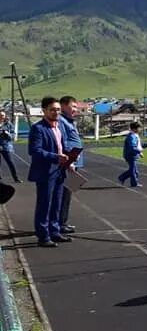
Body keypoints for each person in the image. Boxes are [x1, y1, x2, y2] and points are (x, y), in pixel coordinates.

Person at [28, 97, 70, 247]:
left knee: (57, 203)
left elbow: (62, 146)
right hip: (45, 172)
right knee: (45, 204)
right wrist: (55, 157)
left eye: (58, 109)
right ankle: (43, 236)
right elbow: (34, 151)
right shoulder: (38, 128)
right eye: (52, 110)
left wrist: (68, 160)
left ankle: (55, 231)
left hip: (59, 171)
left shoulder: (59, 127)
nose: (56, 112)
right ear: (44, 111)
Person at [57, 96, 83, 234]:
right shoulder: (61, 121)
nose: (75, 109)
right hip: (69, 162)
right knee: (63, 194)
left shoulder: (70, 122)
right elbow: (63, 142)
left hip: (74, 161)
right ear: (63, 106)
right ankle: (59, 223)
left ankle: (63, 221)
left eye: (76, 107)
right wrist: (69, 160)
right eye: (73, 106)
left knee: (68, 194)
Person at [118, 122, 144, 188]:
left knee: (133, 170)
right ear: (135, 129)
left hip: (133, 155)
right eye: (139, 128)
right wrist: (139, 152)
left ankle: (122, 178)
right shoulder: (131, 137)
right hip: (130, 155)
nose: (141, 129)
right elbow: (133, 147)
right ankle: (133, 183)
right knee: (134, 170)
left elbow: (139, 146)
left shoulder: (135, 135)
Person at [0, 111, 21, 182]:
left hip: (6, 146)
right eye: (0, 115)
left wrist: (7, 133)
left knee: (11, 162)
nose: (1, 117)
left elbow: (13, 136)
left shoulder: (8, 124)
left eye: (2, 115)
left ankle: (16, 178)